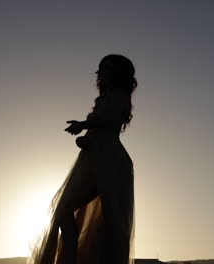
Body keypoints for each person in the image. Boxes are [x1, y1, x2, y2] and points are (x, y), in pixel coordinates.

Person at [28, 54, 137, 264]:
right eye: (101, 69)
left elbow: (108, 120)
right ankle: (71, 257)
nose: (101, 73)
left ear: (117, 73)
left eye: (107, 68)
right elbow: (101, 127)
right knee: (62, 209)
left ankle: (75, 258)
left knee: (111, 222)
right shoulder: (105, 98)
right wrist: (86, 140)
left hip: (111, 163)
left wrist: (83, 125)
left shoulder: (121, 96)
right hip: (92, 159)